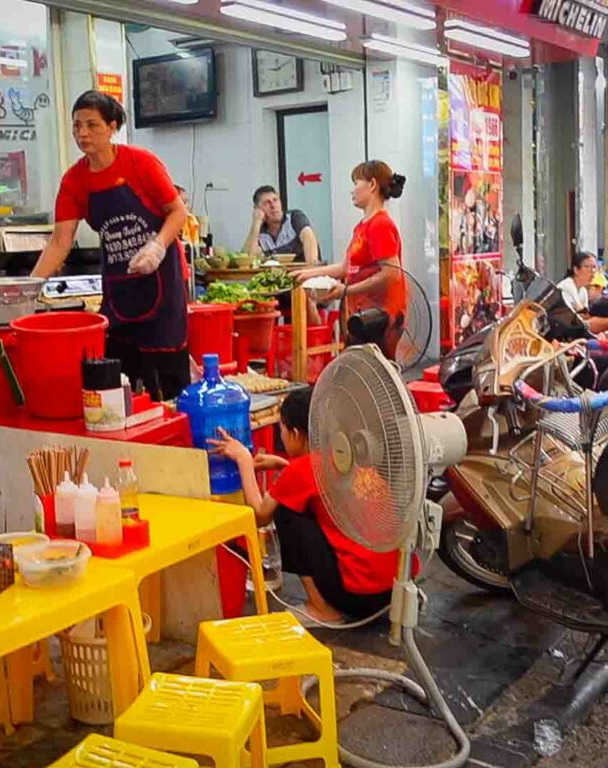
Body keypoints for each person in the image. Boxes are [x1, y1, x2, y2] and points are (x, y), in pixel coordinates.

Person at [31, 91, 190, 400]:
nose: (82, 133)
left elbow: (178, 211)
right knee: (121, 380)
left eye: (92, 125)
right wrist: (30, 288)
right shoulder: (75, 181)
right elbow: (60, 241)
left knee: (170, 378)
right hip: (119, 290)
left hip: (163, 284)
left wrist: (157, 247)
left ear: (112, 126)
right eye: (77, 126)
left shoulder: (140, 162)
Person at [208, 388, 396, 626]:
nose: (282, 436)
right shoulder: (346, 454)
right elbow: (316, 484)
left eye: (283, 430)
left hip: (357, 599)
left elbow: (260, 515)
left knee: (285, 511)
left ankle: (322, 609)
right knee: (295, 501)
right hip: (391, 594)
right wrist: (285, 467)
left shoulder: (302, 470)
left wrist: (243, 459)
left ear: (296, 433)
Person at [295, 160, 408, 363]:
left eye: (356, 182)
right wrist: (306, 274)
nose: (352, 191)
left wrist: (346, 290)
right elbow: (345, 267)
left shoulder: (380, 225)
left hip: (380, 316)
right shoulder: (362, 226)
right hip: (361, 313)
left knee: (371, 373)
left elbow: (392, 273)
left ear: (372, 185)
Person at [243, 186, 320, 265]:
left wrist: (311, 267)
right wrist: (256, 222)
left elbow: (309, 237)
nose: (273, 206)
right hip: (278, 276)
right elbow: (247, 260)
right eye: (267, 203)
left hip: (305, 273)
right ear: (257, 209)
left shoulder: (294, 217)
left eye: (275, 200)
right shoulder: (259, 232)